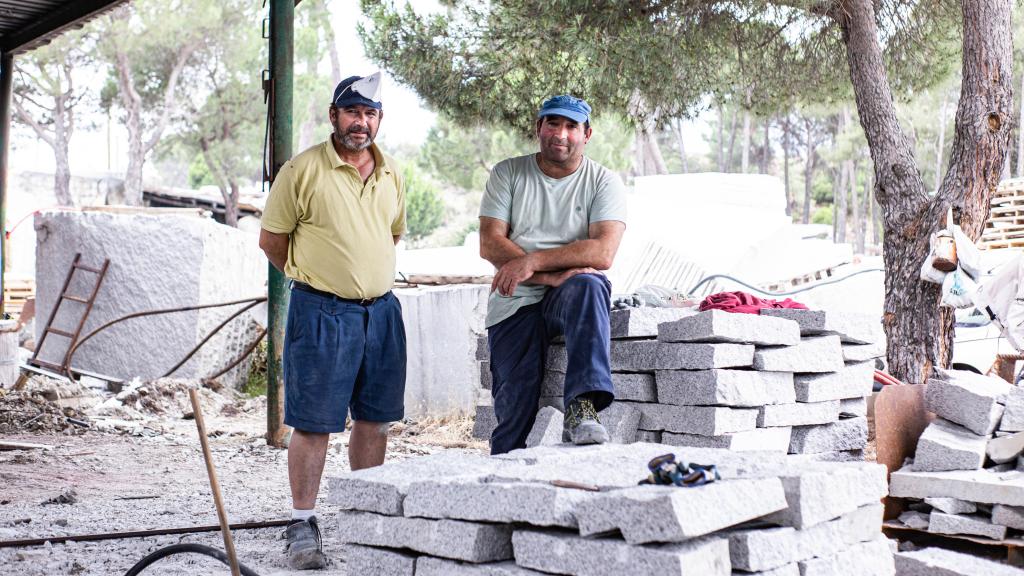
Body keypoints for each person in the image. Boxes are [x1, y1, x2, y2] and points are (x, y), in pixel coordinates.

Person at [258, 72, 406, 570]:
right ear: (333, 116)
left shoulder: (391, 174)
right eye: (352, 112)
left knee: (375, 418)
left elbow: (391, 236)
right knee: (314, 421)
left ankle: (367, 514)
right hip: (321, 310)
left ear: (379, 120)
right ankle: (302, 523)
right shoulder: (301, 171)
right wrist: (315, 278)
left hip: (382, 313)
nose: (360, 123)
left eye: (370, 114)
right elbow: (272, 242)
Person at [478, 94, 627, 455]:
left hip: (570, 295)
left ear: (586, 134)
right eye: (553, 123)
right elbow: (490, 243)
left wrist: (532, 261)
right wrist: (546, 276)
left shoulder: (603, 182)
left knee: (590, 284)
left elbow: (602, 252)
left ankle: (581, 406)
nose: (561, 134)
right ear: (539, 128)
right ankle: (498, 497)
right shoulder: (508, 173)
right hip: (515, 301)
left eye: (571, 126)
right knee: (513, 418)